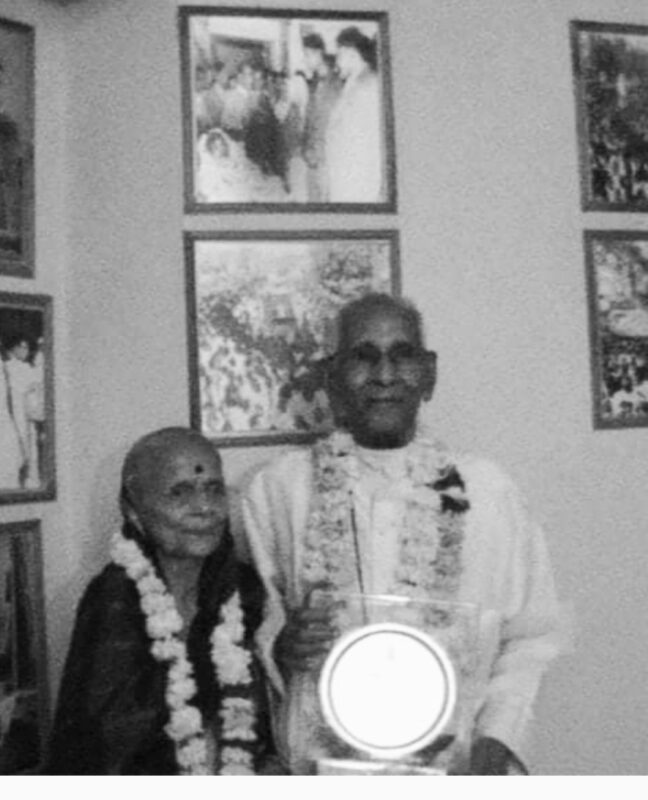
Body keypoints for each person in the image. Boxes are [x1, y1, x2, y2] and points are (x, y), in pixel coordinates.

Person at [242, 293, 565, 775]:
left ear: (429, 374)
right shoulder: (278, 489)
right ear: (331, 377)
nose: (384, 375)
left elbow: (530, 637)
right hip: (326, 767)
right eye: (363, 356)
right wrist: (281, 646)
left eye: (403, 355)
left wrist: (496, 740)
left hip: (458, 765)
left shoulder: (489, 491)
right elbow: (249, 628)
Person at [45, 427, 276, 775]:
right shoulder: (113, 601)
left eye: (214, 489)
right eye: (179, 492)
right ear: (132, 509)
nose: (204, 508)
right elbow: (101, 747)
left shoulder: (246, 589)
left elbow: (267, 720)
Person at [325, 27, 384, 203]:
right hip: (346, 176)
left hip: (357, 181)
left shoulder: (368, 86)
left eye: (339, 56)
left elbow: (364, 143)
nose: (337, 63)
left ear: (351, 54)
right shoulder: (354, 83)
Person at [300, 34, 342, 202]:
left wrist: (317, 155)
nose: (304, 60)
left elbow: (327, 123)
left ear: (318, 53)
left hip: (324, 158)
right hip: (313, 156)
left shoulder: (333, 83)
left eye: (307, 55)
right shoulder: (317, 81)